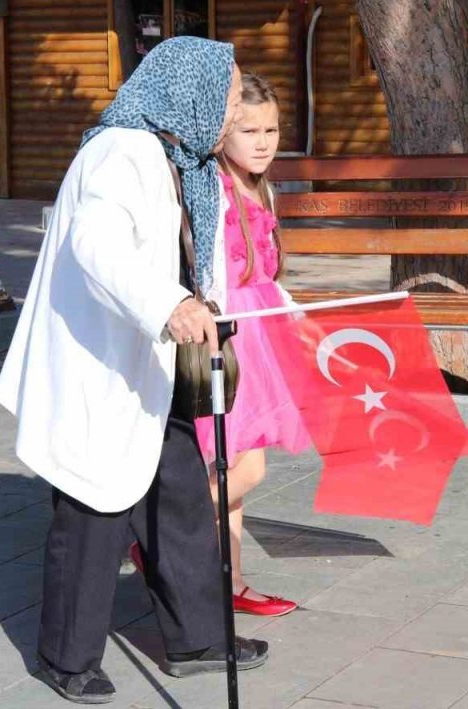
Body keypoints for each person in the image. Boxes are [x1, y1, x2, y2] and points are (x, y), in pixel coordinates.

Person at [0, 37, 270, 705]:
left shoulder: (184, 161)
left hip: (151, 363)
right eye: (230, 97)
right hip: (102, 366)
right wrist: (168, 302)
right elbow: (99, 245)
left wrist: (201, 307)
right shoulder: (122, 152)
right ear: (191, 95)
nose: (233, 111)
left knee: (176, 496)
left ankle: (198, 636)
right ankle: (65, 657)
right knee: (95, 508)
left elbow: (186, 257)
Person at [130, 74, 309, 618]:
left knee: (234, 474)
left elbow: (262, 267)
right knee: (241, 469)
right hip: (228, 337)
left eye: (272, 129)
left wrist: (286, 304)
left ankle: (228, 580)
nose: (263, 141)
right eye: (248, 129)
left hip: (262, 333)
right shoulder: (214, 187)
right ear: (221, 134)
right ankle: (157, 541)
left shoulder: (262, 186)